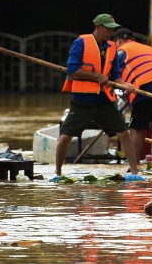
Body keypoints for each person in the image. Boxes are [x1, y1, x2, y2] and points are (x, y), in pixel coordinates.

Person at [53, 14, 143, 181]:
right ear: (98, 27)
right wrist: (97, 76)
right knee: (65, 137)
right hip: (82, 102)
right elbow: (72, 70)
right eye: (108, 29)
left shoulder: (111, 48)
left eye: (112, 29)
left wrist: (126, 84)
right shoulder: (81, 43)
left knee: (124, 134)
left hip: (104, 102)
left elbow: (115, 75)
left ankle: (135, 172)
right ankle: (57, 173)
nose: (111, 33)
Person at [112, 28, 152, 166]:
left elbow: (112, 72)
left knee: (136, 128)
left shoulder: (121, 51)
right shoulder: (148, 48)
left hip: (143, 88)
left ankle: (134, 164)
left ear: (118, 41)